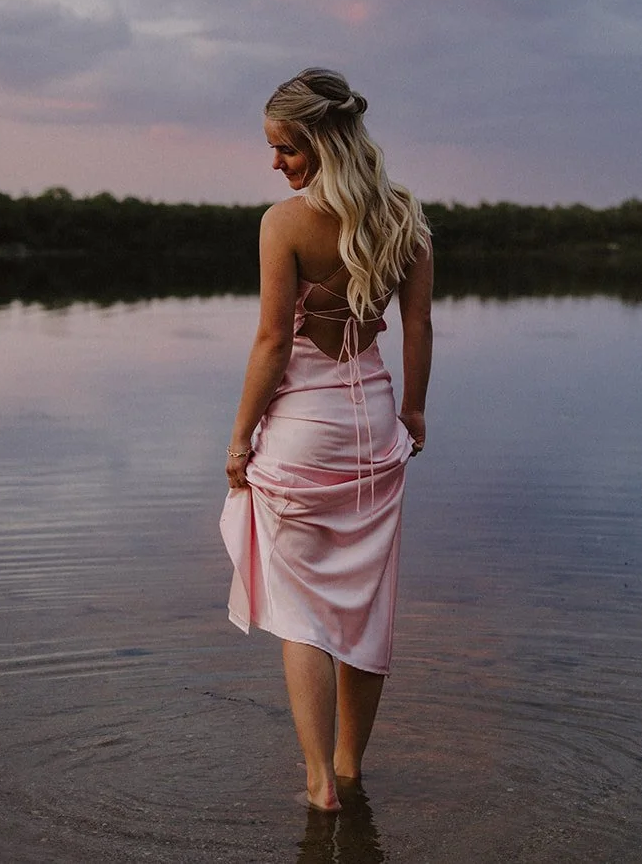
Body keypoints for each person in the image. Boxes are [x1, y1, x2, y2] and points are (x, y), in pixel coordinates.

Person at [220, 67, 433, 813]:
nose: (275, 163)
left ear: (320, 141)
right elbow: (418, 326)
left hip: (304, 434)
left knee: (305, 612)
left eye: (285, 148)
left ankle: (318, 785)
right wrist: (414, 413)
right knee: (366, 607)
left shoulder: (284, 224)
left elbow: (273, 341)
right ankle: (349, 767)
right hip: (373, 428)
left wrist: (240, 438)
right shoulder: (403, 214)